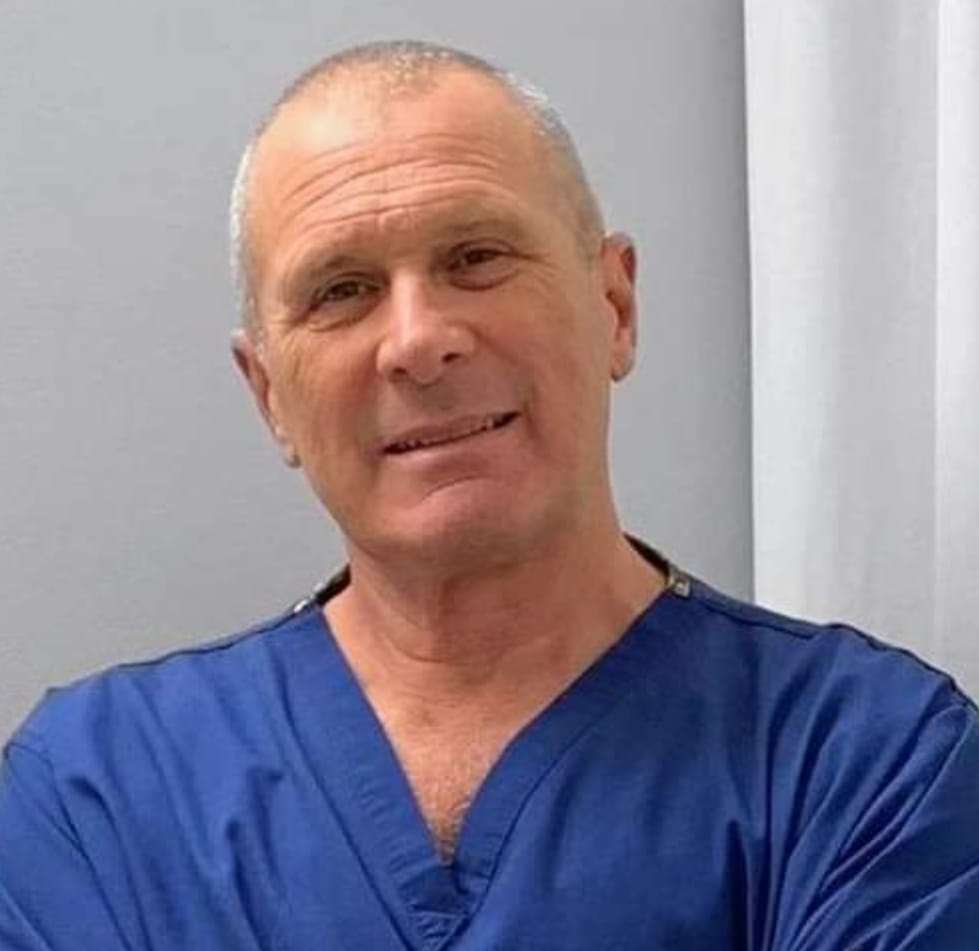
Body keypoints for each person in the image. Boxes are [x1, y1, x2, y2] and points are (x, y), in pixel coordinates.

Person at [1, 39, 977, 951]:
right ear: (270, 398)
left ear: (614, 307)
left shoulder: (866, 764)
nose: (418, 341)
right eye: (341, 290)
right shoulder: (97, 795)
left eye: (475, 258)